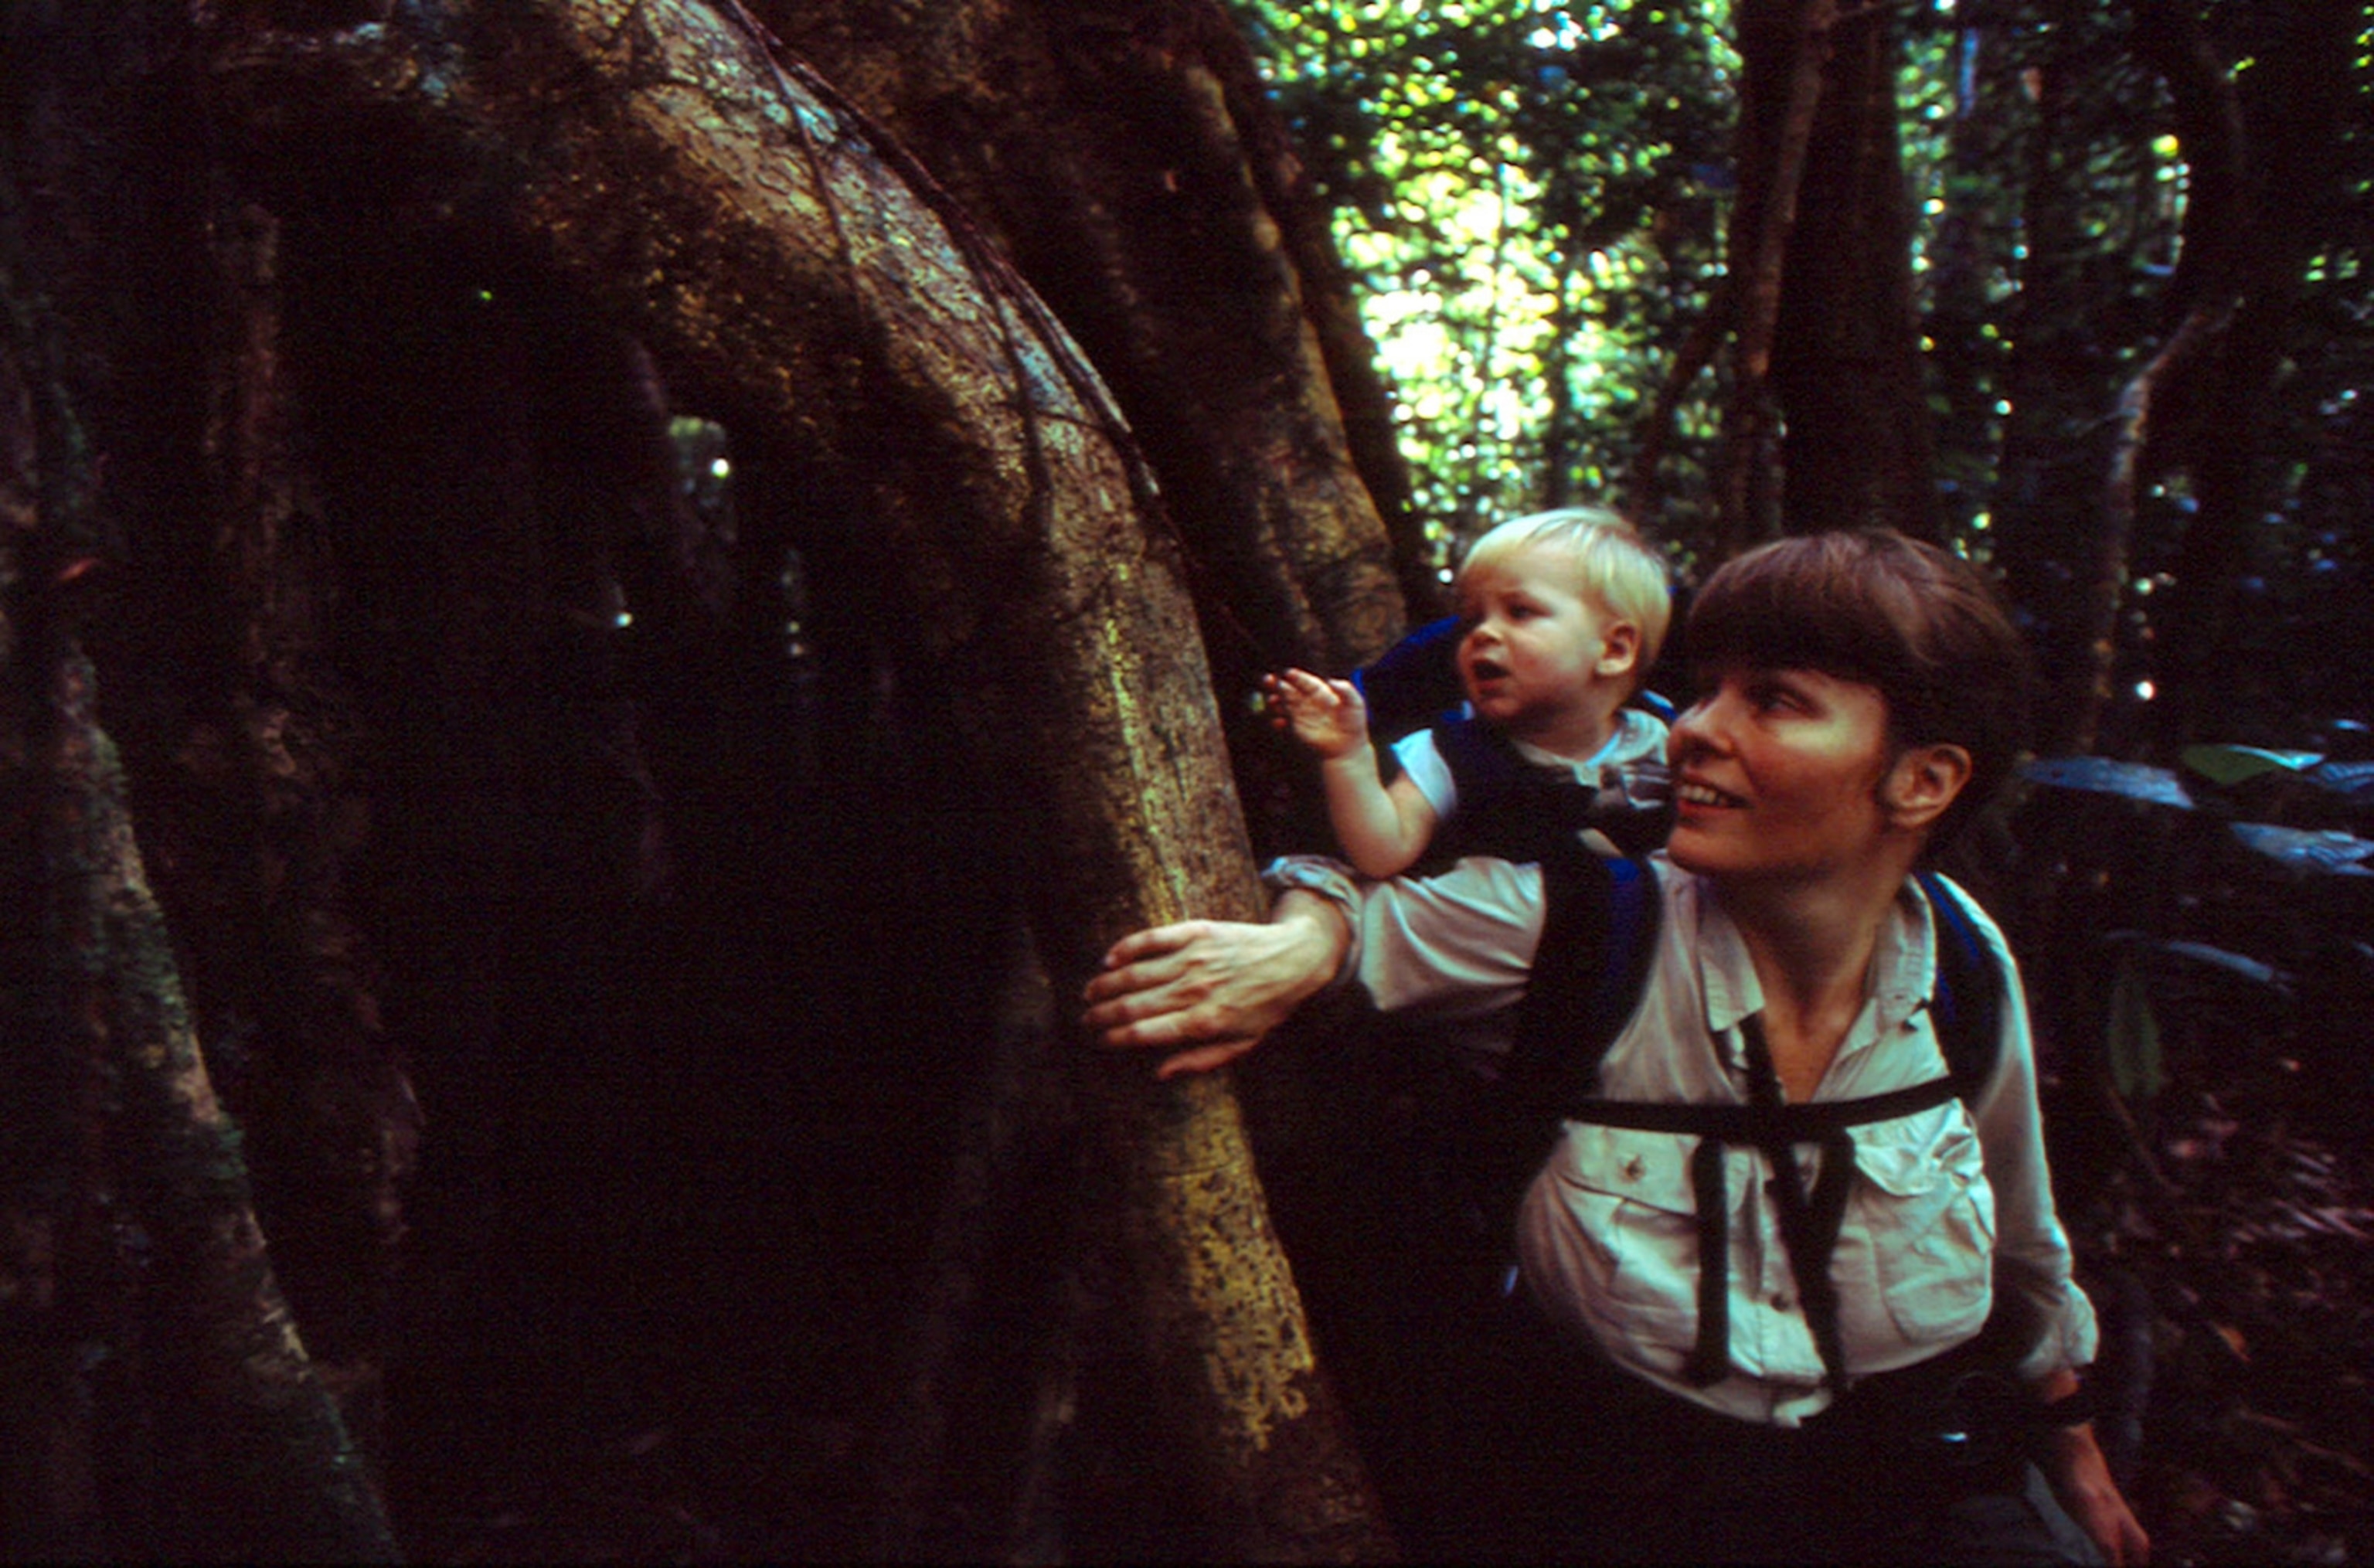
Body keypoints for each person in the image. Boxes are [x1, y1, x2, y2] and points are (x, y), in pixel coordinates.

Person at [1083, 530, 2149, 1565]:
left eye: (1772, 700)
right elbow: (1351, 896)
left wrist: (2075, 1452)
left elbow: (2022, 1229)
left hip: (1912, 1481)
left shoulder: (1958, 956)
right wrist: (1299, 950)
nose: (1689, 730)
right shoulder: (1586, 926)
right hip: (1623, 1493)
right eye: (1708, 690)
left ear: (1922, 781)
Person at [1265, 507, 1673, 876]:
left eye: (1520, 611)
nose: (1482, 633)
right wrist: (1347, 755)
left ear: (1614, 650)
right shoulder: (1450, 752)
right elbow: (1382, 853)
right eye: (1473, 618)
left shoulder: (1667, 744)